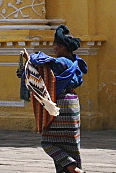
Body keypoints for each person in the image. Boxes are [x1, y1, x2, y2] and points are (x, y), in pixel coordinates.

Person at [17, 25, 88, 173]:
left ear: (63, 47)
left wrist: (28, 59)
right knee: (70, 143)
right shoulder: (76, 63)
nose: (54, 47)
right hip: (73, 102)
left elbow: (41, 64)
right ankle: (69, 169)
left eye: (57, 45)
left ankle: (72, 167)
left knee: (48, 142)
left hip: (60, 103)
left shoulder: (62, 62)